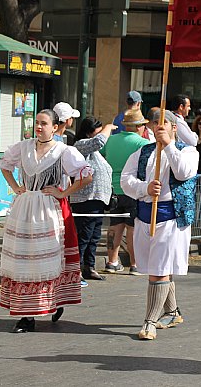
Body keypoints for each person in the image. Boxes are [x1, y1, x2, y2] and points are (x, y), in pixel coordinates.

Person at [0, 109, 93, 333]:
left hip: (49, 209)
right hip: (25, 206)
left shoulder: (63, 151)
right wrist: (16, 188)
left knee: (46, 258)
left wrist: (64, 192)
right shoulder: (23, 147)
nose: (39, 127)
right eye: (37, 123)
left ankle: (54, 301)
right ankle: (26, 315)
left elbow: (86, 175)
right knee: (24, 258)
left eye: (44, 123)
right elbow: (4, 165)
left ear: (54, 126)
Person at [120, 110, 198, 340]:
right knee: (159, 267)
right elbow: (126, 180)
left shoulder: (189, 151)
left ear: (174, 127)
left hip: (172, 218)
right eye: (155, 123)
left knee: (159, 270)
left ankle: (149, 321)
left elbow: (184, 173)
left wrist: (169, 145)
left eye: (164, 123)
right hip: (145, 215)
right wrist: (144, 188)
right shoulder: (142, 152)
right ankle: (172, 311)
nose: (158, 127)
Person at [101, 108, 150, 275]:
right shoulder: (143, 144)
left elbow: (100, 156)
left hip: (113, 189)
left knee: (114, 226)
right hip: (132, 189)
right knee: (132, 228)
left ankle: (112, 261)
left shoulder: (110, 141)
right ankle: (135, 264)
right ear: (138, 126)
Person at [71, 116, 117, 281]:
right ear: (90, 132)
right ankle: (76, 269)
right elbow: (99, 141)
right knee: (84, 234)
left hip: (97, 199)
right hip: (85, 199)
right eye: (98, 130)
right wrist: (108, 127)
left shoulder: (94, 152)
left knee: (94, 235)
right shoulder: (80, 145)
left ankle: (88, 267)